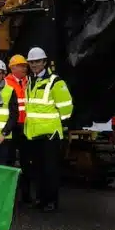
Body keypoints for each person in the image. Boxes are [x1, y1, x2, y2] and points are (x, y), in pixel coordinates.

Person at [23, 47, 74, 211]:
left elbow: (66, 108)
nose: (34, 65)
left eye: (37, 62)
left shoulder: (55, 82)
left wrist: (61, 126)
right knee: (37, 169)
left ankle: (51, 201)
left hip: (50, 134)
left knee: (50, 170)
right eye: (32, 62)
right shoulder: (31, 81)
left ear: (44, 62)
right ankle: (41, 199)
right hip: (33, 133)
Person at [5, 54, 31, 201]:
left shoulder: (30, 82)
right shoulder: (5, 83)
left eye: (25, 66)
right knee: (9, 160)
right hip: (12, 127)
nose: (24, 68)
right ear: (13, 67)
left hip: (26, 127)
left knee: (26, 162)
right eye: (21, 66)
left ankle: (26, 196)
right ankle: (10, 196)